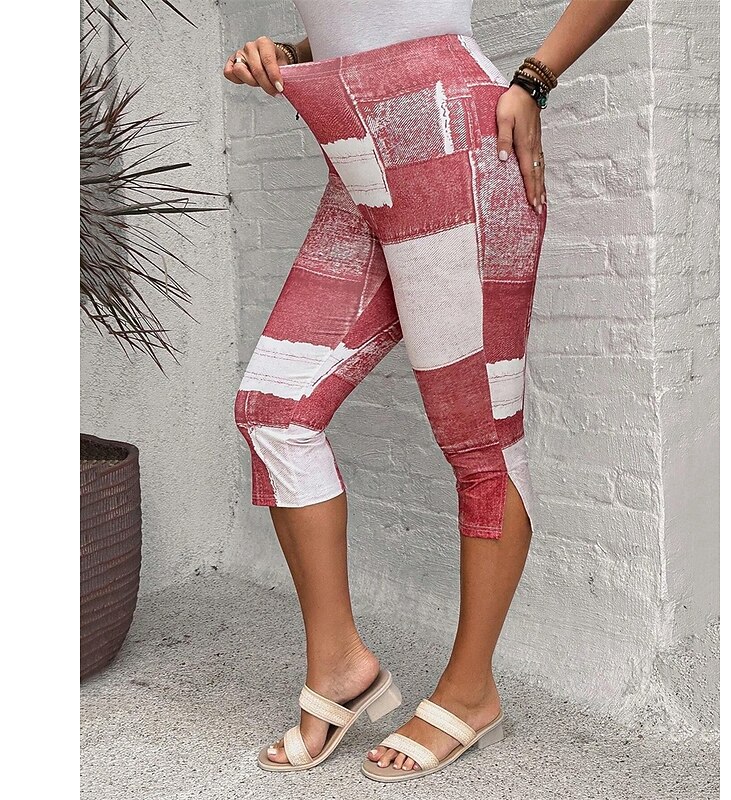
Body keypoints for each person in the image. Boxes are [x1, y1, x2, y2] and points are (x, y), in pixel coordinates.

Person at [224, 0, 634, 783]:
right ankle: (340, 664)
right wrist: (294, 52)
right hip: (359, 160)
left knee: (481, 444)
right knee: (274, 410)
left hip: (455, 148)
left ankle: (470, 692)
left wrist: (536, 79)